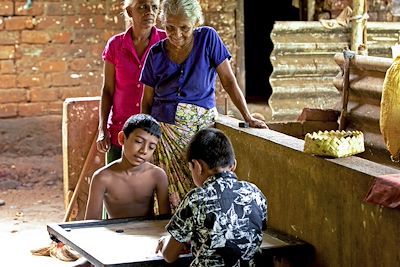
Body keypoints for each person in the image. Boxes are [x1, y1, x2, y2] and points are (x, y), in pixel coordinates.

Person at [140, 0, 268, 211]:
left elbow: (228, 80)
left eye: (184, 28)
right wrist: (146, 136)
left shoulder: (208, 38)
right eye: (169, 28)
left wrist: (247, 116)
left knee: (201, 189)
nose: (177, 34)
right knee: (168, 196)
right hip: (165, 137)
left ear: (196, 23)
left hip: (199, 131)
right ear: (162, 23)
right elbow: (146, 101)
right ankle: (173, 239)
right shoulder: (155, 53)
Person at [155, 128, 268, 266]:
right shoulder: (255, 193)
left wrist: (166, 241)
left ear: (197, 166)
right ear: (233, 165)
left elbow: (169, 255)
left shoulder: (196, 198)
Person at [96, 0, 166, 164]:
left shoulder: (166, 42)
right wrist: (102, 129)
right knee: (116, 186)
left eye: (154, 7)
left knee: (149, 187)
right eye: (142, 7)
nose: (149, 11)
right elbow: (107, 90)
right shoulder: (115, 45)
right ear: (129, 11)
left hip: (153, 135)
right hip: (120, 132)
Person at [85, 114, 171, 220]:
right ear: (122, 138)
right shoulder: (102, 178)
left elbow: (165, 221)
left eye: (151, 147)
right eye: (138, 141)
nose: (144, 151)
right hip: (115, 234)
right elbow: (90, 223)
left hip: (149, 234)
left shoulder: (157, 175)